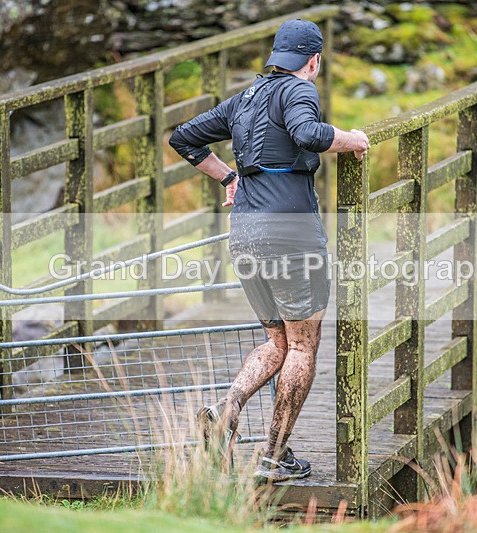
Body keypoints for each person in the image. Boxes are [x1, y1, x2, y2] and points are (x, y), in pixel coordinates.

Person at [168, 18, 369, 482]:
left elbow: (183, 138)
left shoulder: (247, 97)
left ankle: (227, 409)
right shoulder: (300, 90)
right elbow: (308, 134)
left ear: (276, 55)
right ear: (313, 60)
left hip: (245, 234)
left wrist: (230, 177)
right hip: (291, 234)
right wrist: (352, 139)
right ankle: (274, 458)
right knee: (302, 344)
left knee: (278, 340)